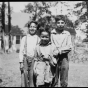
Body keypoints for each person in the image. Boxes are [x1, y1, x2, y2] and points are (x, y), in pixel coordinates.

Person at [51, 15, 73, 87]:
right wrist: (54, 51)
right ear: (55, 24)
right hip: (54, 57)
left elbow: (69, 46)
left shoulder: (67, 33)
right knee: (54, 78)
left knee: (64, 80)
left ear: (65, 24)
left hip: (64, 58)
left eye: (62, 22)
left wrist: (59, 50)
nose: (60, 24)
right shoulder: (52, 33)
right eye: (58, 22)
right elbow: (51, 44)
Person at [19, 21, 40, 87]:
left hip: (34, 60)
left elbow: (39, 52)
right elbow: (21, 51)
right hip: (25, 59)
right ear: (28, 28)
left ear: (36, 28)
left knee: (33, 76)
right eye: (31, 27)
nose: (32, 28)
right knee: (24, 75)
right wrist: (21, 62)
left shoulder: (38, 39)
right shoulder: (24, 38)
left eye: (34, 27)